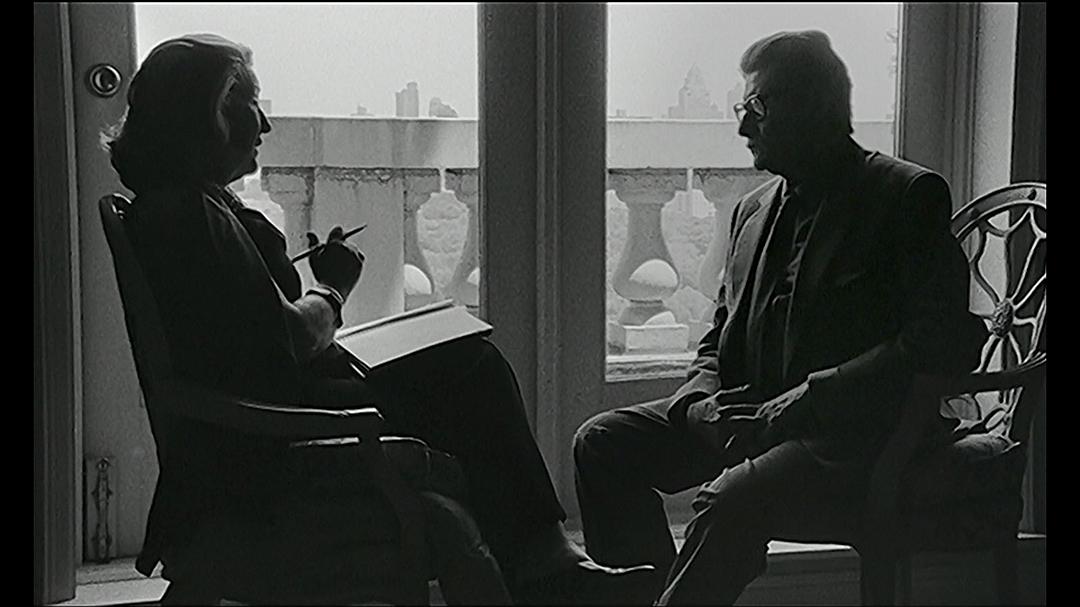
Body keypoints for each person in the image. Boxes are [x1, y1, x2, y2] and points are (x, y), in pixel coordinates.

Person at [103, 33, 651, 605]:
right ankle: (545, 565)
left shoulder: (182, 206)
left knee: (469, 367)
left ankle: (542, 563)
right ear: (207, 113)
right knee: (475, 371)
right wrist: (334, 288)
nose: (263, 123)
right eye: (250, 102)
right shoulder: (191, 214)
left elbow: (250, 334)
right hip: (281, 433)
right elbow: (293, 336)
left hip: (276, 412)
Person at [573, 30, 988, 604]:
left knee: (731, 501)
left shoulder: (905, 196)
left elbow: (941, 342)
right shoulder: (751, 210)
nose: (743, 126)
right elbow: (718, 334)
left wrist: (806, 400)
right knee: (602, 442)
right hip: (749, 415)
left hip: (850, 434)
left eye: (757, 107)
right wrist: (698, 403)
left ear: (813, 107)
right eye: (742, 109)